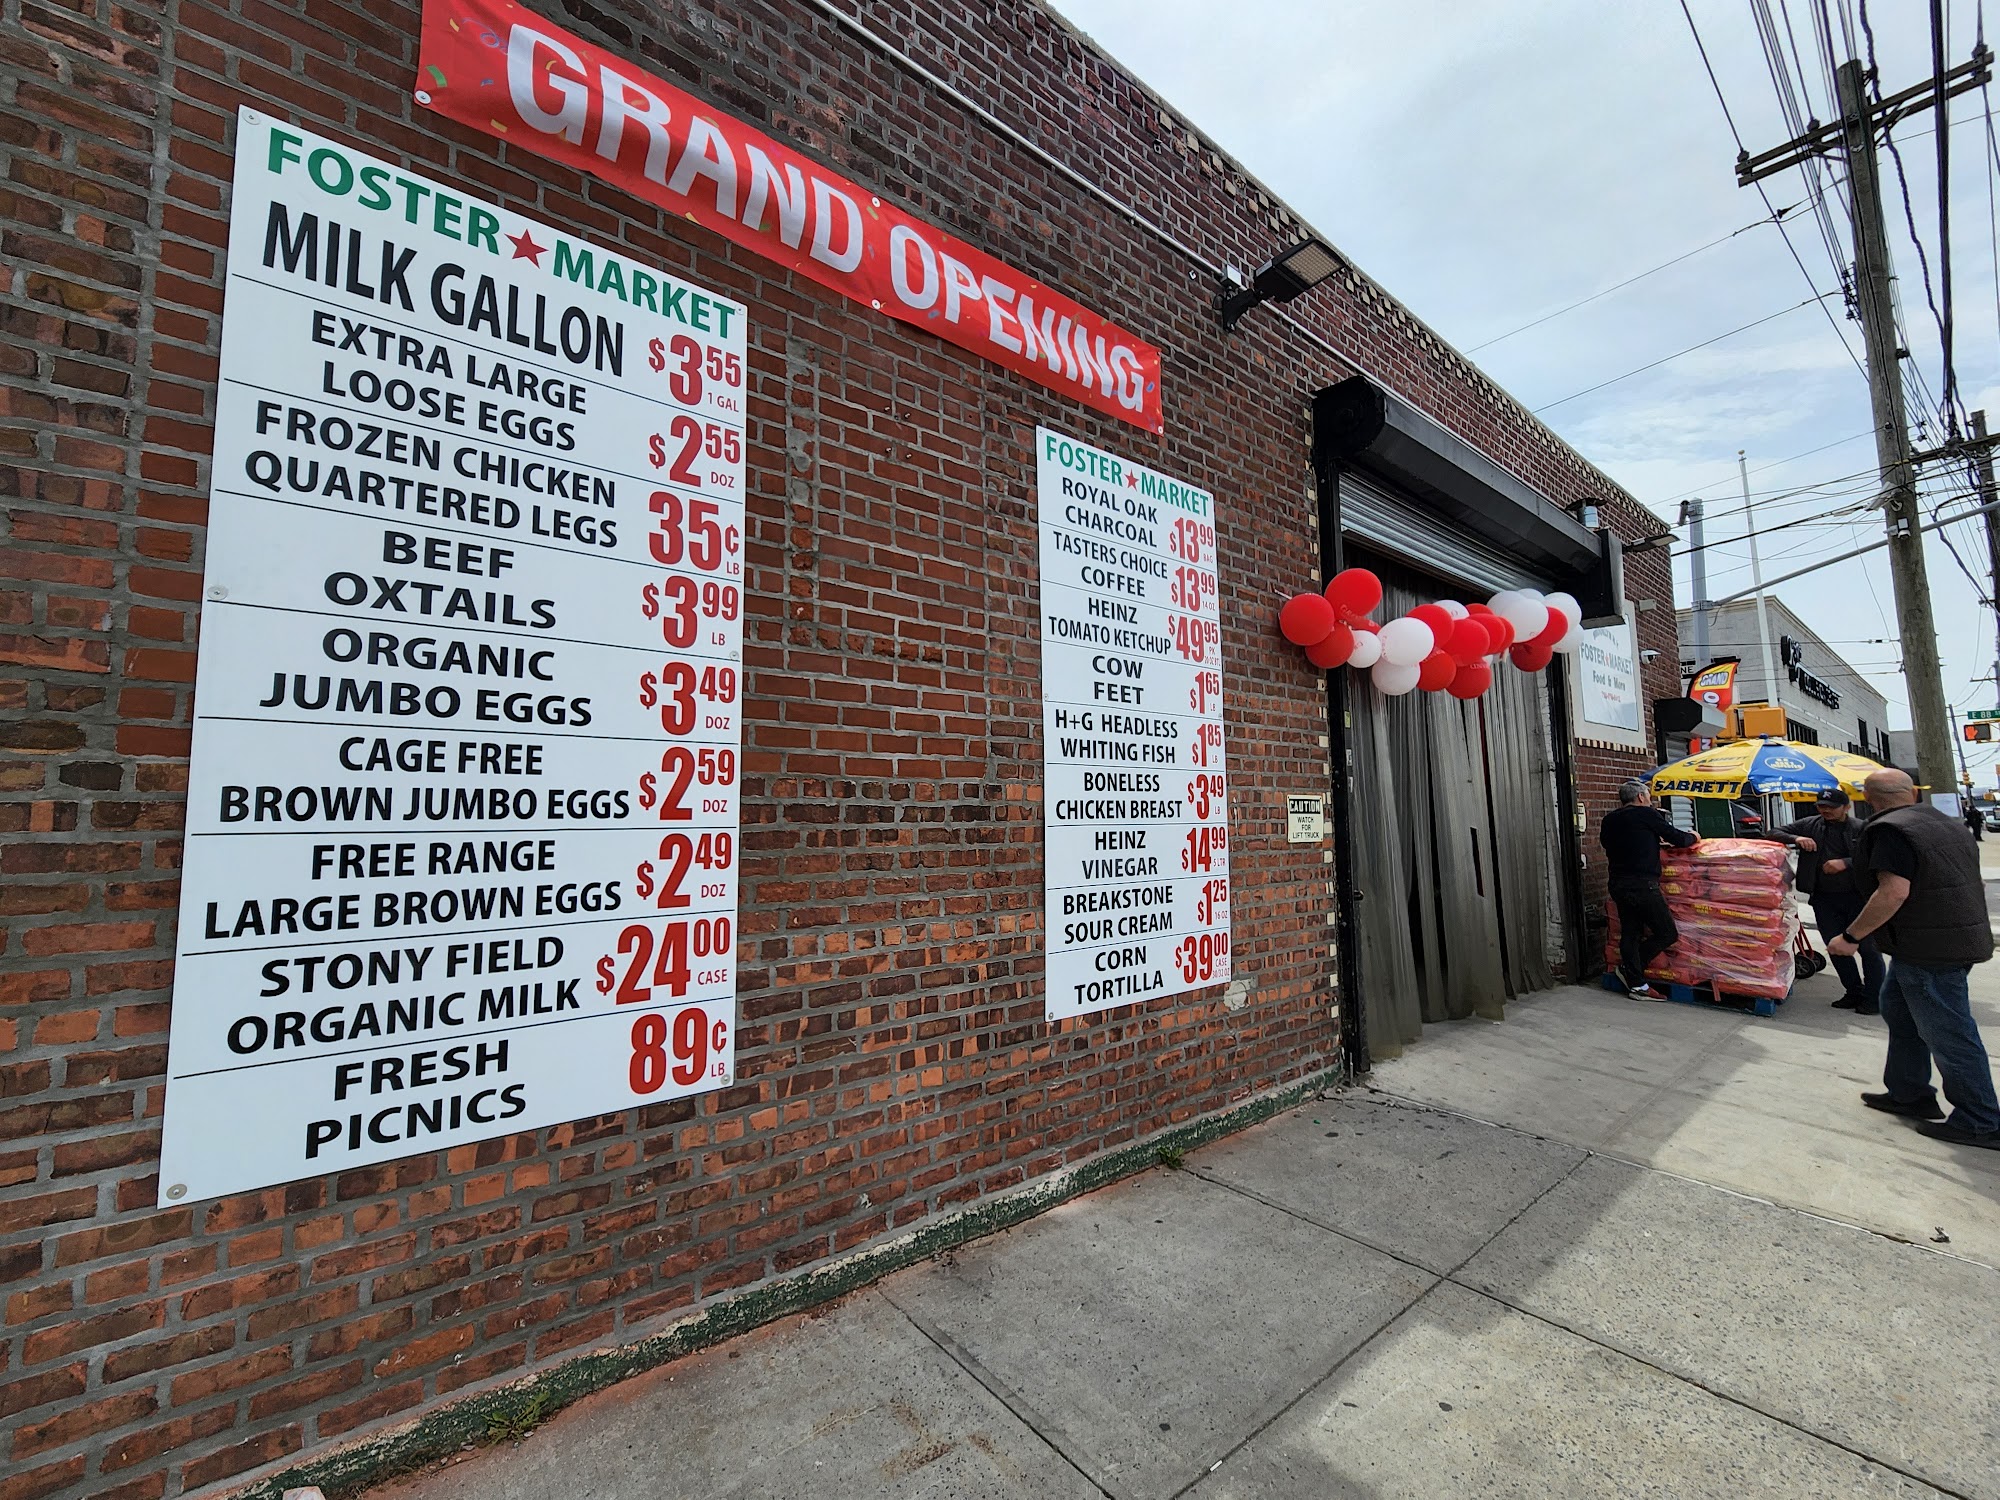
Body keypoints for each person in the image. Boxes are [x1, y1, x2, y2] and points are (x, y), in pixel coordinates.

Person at [1831, 768, 2000, 1149]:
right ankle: (1909, 1093)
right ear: (1912, 793)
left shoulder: (1891, 831)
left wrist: (1851, 936)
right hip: (1946, 939)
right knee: (1899, 1011)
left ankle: (1980, 1120)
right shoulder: (1946, 823)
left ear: (1867, 798)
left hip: (1929, 948)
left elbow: (1893, 892)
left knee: (1949, 1033)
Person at [1784, 789, 1882, 1014]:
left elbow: (1876, 855)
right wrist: (1796, 838)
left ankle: (1874, 997)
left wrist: (1846, 863)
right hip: (1824, 898)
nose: (1825, 811)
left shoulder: (1862, 828)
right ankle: (1853, 991)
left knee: (1868, 949)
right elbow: (1774, 832)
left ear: (1846, 807)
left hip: (1858, 898)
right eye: (1821, 806)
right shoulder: (1811, 825)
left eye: (1831, 807)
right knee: (1835, 947)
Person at [1599, 780, 1698, 1000]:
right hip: (1643, 885)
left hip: (1618, 883)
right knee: (1667, 932)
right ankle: (1631, 972)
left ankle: (1637, 985)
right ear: (1641, 797)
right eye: (1649, 796)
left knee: (1631, 932)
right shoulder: (1646, 814)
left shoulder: (1609, 820)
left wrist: (1648, 843)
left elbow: (1611, 844)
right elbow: (1677, 838)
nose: (1650, 800)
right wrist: (1694, 837)